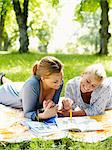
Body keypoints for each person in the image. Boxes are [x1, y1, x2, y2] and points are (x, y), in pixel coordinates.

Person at [0, 56, 63, 121]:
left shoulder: (58, 83)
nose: (59, 83)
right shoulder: (31, 85)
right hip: (5, 93)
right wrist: (43, 116)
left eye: (61, 79)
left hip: (21, 89)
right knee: (9, 86)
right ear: (43, 78)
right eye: (55, 82)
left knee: (13, 85)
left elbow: (54, 107)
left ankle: (2, 78)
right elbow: (27, 113)